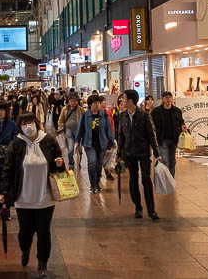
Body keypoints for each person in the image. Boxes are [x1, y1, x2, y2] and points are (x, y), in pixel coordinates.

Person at [0, 112, 65, 279]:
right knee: (25, 232)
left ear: (36, 123)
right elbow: (8, 170)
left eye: (30, 122)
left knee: (44, 232)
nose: (27, 126)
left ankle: (42, 263)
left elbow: (59, 166)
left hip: (45, 198)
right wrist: (4, 192)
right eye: (23, 123)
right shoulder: (16, 145)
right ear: (19, 126)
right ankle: (25, 249)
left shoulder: (48, 141)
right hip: (23, 198)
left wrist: (59, 165)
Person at [117, 90, 160, 220]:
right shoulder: (123, 116)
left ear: (130, 101)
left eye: (123, 99)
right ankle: (138, 208)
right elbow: (121, 136)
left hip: (143, 153)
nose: (122, 101)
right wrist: (119, 154)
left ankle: (151, 210)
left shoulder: (144, 116)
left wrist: (157, 154)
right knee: (133, 180)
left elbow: (151, 136)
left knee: (146, 180)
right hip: (129, 153)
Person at [75, 95, 114, 194]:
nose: (97, 105)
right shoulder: (85, 116)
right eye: (95, 103)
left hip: (101, 144)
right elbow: (80, 129)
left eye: (98, 103)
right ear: (90, 105)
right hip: (89, 144)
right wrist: (77, 141)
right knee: (92, 162)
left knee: (99, 164)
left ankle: (97, 183)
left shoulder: (103, 115)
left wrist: (113, 141)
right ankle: (92, 184)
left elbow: (108, 129)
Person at [152, 92, 186, 177]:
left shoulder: (177, 111)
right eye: (166, 97)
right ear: (162, 99)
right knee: (165, 161)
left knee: (172, 161)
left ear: (172, 98)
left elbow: (181, 122)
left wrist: (183, 126)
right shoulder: (156, 111)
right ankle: (166, 180)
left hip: (174, 139)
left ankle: (171, 180)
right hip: (162, 139)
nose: (168, 99)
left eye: (170, 97)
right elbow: (152, 124)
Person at [56, 94, 84, 169]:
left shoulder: (80, 110)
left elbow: (84, 120)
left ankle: (79, 163)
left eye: (75, 101)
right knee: (70, 149)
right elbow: (60, 120)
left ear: (77, 102)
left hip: (78, 131)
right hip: (68, 131)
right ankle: (71, 163)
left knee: (80, 150)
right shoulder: (65, 109)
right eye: (71, 101)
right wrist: (61, 128)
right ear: (69, 101)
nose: (73, 103)